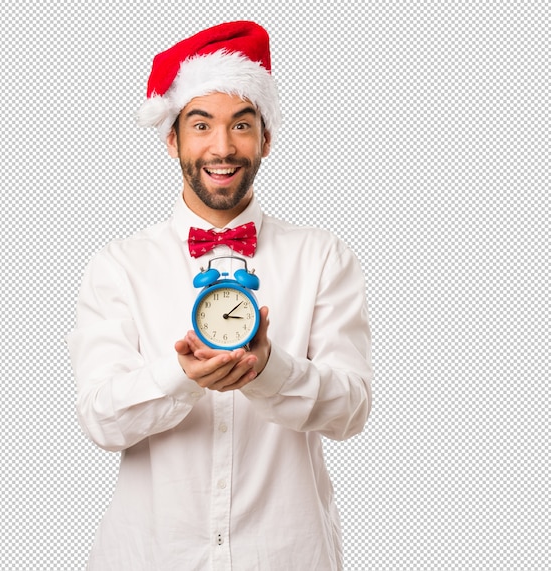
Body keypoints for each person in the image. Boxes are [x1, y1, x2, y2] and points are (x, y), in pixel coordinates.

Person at [67, 20, 373, 570]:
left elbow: (349, 411)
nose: (222, 147)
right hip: (150, 557)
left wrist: (272, 371)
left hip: (284, 555)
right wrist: (179, 377)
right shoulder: (119, 266)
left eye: (241, 125)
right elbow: (100, 418)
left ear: (266, 139)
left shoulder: (324, 257)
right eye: (201, 124)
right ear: (173, 138)